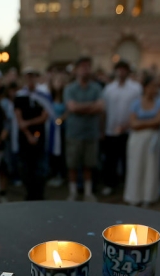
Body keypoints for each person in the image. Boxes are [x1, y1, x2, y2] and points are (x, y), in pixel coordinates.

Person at [63, 57, 105, 201]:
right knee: (73, 164)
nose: (85, 69)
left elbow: (100, 107)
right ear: (76, 69)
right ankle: (73, 191)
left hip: (91, 133)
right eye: (82, 66)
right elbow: (72, 107)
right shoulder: (69, 89)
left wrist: (81, 107)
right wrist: (91, 106)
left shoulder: (96, 88)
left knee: (89, 164)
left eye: (87, 66)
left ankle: (88, 192)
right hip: (74, 133)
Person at [101, 60, 142, 196]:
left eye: (124, 69)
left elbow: (138, 109)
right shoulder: (109, 89)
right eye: (119, 69)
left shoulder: (136, 89)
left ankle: (127, 184)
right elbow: (105, 110)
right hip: (111, 130)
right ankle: (110, 184)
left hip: (128, 131)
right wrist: (103, 128)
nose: (121, 72)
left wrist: (128, 125)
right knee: (110, 160)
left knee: (127, 159)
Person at [123, 76, 160, 206]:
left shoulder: (159, 102)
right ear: (145, 88)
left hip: (152, 139)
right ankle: (134, 196)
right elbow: (133, 123)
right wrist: (150, 123)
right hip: (137, 139)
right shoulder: (136, 103)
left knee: (151, 167)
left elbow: (159, 121)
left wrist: (142, 123)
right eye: (152, 86)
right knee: (136, 166)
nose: (154, 89)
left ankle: (148, 196)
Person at [14, 68, 50, 200]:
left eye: (33, 77)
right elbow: (19, 118)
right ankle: (29, 193)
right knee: (26, 167)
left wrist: (28, 123)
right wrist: (28, 134)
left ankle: (39, 194)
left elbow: (45, 116)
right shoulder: (19, 96)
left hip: (40, 137)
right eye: (28, 77)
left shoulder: (43, 95)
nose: (31, 80)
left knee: (40, 168)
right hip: (25, 138)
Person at [48, 73, 68, 187]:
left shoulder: (66, 97)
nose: (58, 84)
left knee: (62, 151)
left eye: (60, 81)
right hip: (52, 129)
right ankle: (54, 173)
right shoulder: (50, 97)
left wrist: (62, 118)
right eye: (56, 81)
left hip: (62, 129)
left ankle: (62, 174)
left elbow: (68, 110)